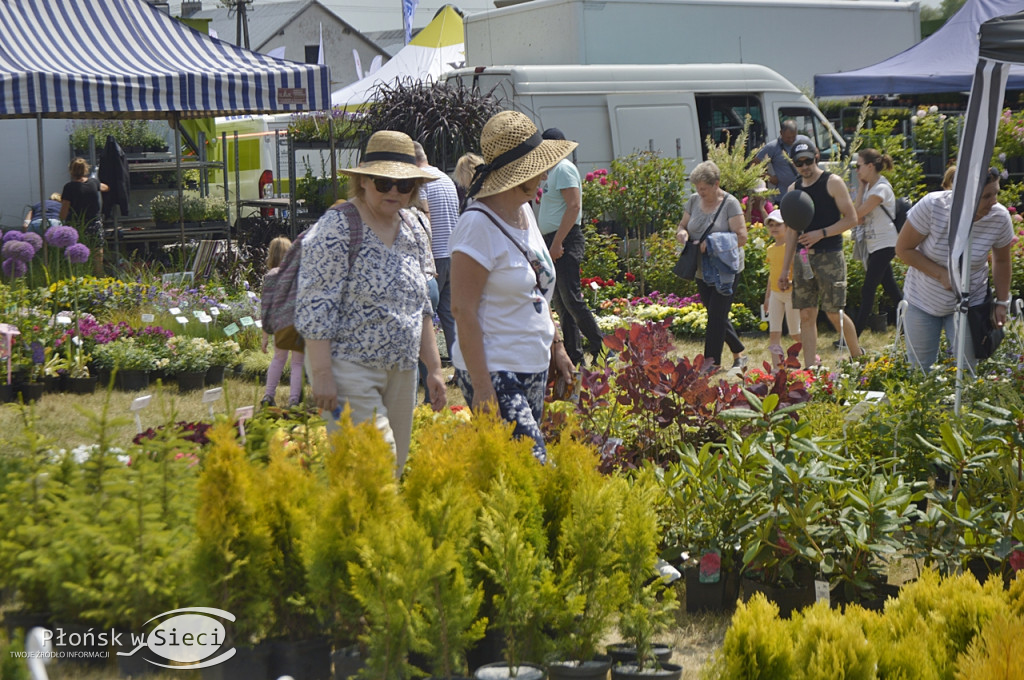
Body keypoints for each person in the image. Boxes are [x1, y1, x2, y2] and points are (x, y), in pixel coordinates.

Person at [296, 130, 446, 475]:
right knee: (373, 461)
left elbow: (420, 303)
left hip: (403, 369)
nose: (394, 191)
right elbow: (315, 305)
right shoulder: (338, 226)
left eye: (404, 185)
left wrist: (434, 369)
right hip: (350, 368)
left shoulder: (414, 227)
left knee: (394, 464)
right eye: (383, 182)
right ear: (362, 182)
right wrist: (321, 375)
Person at [450, 111, 575, 463]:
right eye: (540, 167)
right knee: (533, 464)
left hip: (531, 362)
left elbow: (538, 288)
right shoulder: (476, 224)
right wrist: (483, 387)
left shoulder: (526, 213)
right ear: (518, 174)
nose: (546, 174)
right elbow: (462, 310)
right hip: (494, 367)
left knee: (511, 474)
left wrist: (558, 345)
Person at [895, 167, 1013, 373]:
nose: (994, 201)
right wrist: (941, 274)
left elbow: (1002, 261)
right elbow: (903, 249)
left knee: (967, 368)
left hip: (970, 301)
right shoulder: (933, 206)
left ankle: (965, 404)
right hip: (923, 299)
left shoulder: (999, 217)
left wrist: (1002, 302)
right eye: (986, 196)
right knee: (920, 369)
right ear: (964, 195)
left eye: (996, 193)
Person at [779, 141, 862, 365]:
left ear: (817, 156)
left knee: (835, 313)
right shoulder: (794, 190)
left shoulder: (832, 182)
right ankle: (810, 368)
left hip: (830, 256)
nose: (805, 166)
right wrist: (785, 268)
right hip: (803, 259)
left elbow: (852, 218)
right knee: (806, 314)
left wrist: (822, 233)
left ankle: (859, 359)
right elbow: (792, 232)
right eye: (799, 163)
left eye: (809, 160)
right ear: (794, 163)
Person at [537, 127, 607, 366]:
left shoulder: (564, 168)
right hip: (555, 239)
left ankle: (604, 348)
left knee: (572, 300)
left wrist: (557, 243)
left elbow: (574, 207)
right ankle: (575, 356)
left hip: (564, 239)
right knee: (562, 304)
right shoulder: (553, 171)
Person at [675, 160, 748, 370]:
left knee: (716, 316)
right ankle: (738, 351)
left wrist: (715, 242)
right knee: (716, 314)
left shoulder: (730, 204)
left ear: (716, 184)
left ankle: (711, 363)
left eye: (704, 189)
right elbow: (683, 224)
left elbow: (741, 237)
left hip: (725, 269)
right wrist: (682, 232)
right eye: (697, 188)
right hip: (700, 269)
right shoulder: (693, 201)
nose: (700, 192)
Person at [412, 142, 459, 363]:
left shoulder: (420, 180)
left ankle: (427, 371)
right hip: (452, 254)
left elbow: (425, 219)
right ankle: (461, 368)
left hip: (434, 258)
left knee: (424, 317)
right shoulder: (446, 179)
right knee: (450, 317)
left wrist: (427, 257)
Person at [851, 148, 903, 337]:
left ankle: (853, 335)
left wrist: (859, 212)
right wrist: (861, 188)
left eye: (858, 166)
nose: (857, 170)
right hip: (875, 244)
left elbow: (856, 214)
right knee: (891, 288)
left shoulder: (881, 188)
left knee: (868, 289)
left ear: (870, 166)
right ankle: (908, 325)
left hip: (885, 243)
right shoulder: (869, 189)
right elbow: (857, 214)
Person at [261, 237, 304, 408]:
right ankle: (294, 400)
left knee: (278, 359)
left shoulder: (270, 276)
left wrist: (265, 336)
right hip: (296, 324)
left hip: (279, 324)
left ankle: (268, 395)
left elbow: (266, 306)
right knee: (297, 362)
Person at [763, 210, 801, 367]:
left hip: (792, 293)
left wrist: (792, 283)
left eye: (778, 224)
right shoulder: (770, 249)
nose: (774, 228)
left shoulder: (792, 247)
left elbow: (799, 270)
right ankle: (777, 369)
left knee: (795, 333)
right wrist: (767, 297)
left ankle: (814, 355)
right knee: (774, 333)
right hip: (775, 295)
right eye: (771, 225)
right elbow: (771, 275)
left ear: (787, 226)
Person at [754, 120, 812, 199]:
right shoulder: (773, 147)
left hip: (805, 193)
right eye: (788, 138)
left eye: (793, 137)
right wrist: (769, 177)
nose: (791, 140)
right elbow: (755, 164)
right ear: (781, 133)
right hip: (783, 195)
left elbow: (816, 153)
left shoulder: (804, 141)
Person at [60, 158, 107, 234]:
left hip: (76, 224)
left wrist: (61, 222)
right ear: (86, 169)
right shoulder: (93, 183)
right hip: (93, 222)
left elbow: (64, 210)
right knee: (96, 245)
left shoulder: (69, 187)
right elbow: (106, 188)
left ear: (71, 170)